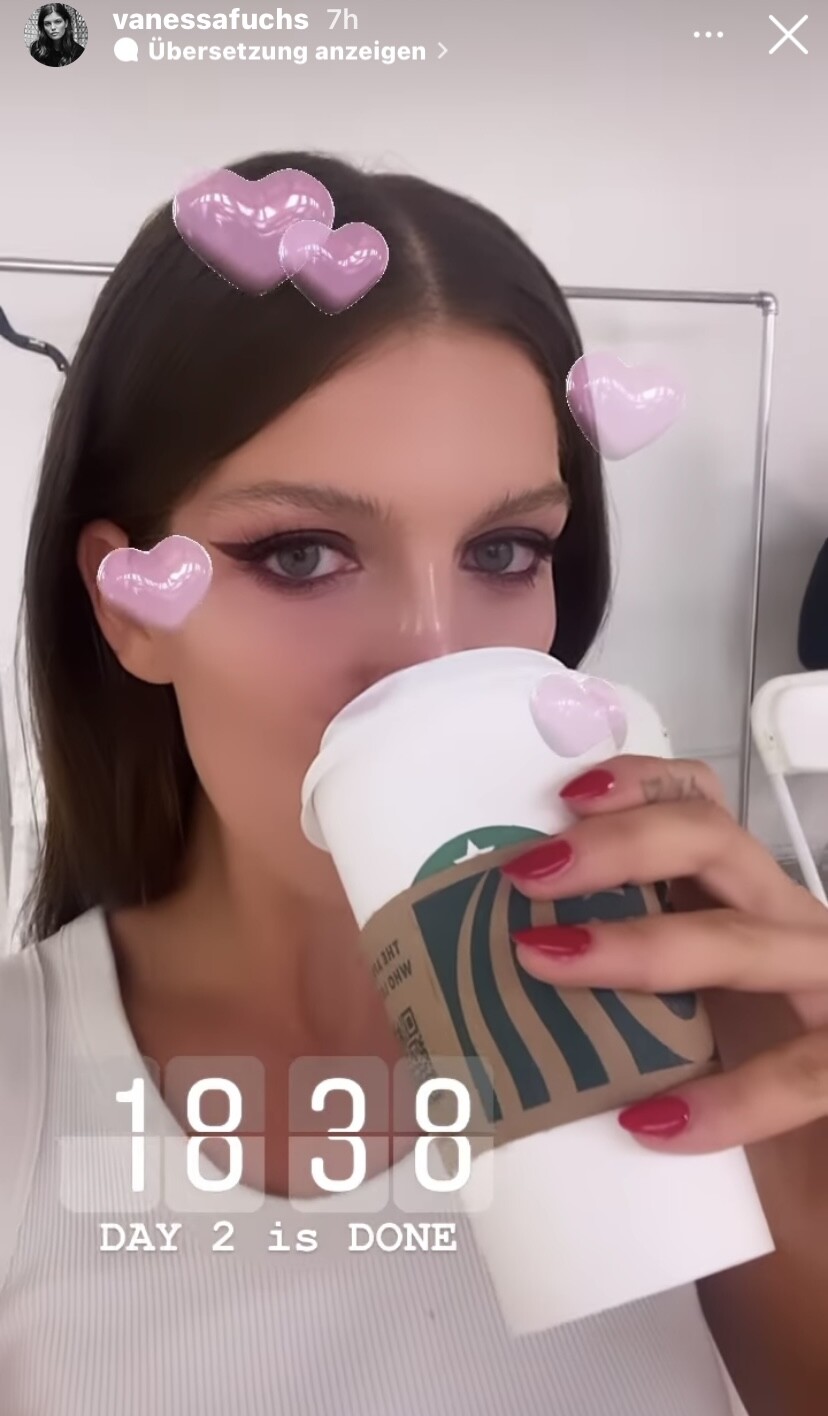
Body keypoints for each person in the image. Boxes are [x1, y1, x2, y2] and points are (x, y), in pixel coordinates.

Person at [0, 150, 825, 1416]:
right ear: (128, 610)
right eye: (300, 552)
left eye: (505, 550)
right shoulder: (27, 1086)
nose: (433, 655)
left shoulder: (717, 1034)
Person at [29, 2, 84, 67]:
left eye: (57, 22)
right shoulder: (37, 49)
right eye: (47, 23)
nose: (53, 27)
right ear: (43, 26)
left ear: (66, 23)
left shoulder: (79, 52)